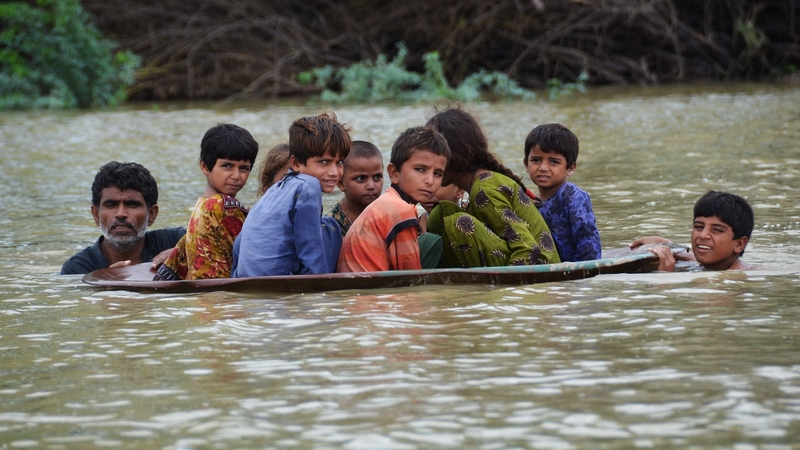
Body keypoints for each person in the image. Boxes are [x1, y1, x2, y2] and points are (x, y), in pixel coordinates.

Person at [425, 106, 561, 268]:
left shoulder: (485, 189)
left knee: (459, 223)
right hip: (521, 259)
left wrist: (504, 292)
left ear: (453, 155)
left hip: (539, 269)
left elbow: (528, 249)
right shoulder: (480, 185)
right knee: (440, 213)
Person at [232, 112, 351, 277]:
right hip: (280, 281)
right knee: (331, 227)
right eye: (324, 162)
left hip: (246, 279)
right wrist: (321, 294)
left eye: (340, 162)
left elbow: (240, 243)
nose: (334, 172)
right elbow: (311, 249)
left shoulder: (271, 193)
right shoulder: (309, 185)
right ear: (295, 163)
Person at [338, 126, 450, 272]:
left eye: (437, 173)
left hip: (357, 288)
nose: (430, 180)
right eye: (420, 169)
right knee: (435, 243)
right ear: (394, 173)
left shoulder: (387, 202)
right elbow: (411, 277)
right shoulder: (401, 210)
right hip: (369, 291)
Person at [155, 124, 259, 280]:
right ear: (204, 166)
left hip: (205, 297)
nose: (236, 175)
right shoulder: (222, 205)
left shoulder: (202, 204)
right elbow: (255, 252)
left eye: (244, 168)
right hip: (222, 295)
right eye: (227, 166)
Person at [61, 161, 185, 275]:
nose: (120, 214)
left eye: (132, 204)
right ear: (96, 215)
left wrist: (188, 257)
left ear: (151, 214)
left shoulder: (178, 242)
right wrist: (105, 284)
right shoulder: (77, 269)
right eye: (111, 205)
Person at [524, 123, 601, 261]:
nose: (543, 167)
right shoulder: (529, 202)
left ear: (570, 168)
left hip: (576, 270)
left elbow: (588, 239)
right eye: (536, 160)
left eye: (553, 162)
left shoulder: (572, 195)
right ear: (526, 164)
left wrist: (584, 275)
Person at [630, 190, 755, 271]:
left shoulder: (735, 278)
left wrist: (665, 278)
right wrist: (666, 245)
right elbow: (692, 258)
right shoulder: (715, 263)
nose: (703, 235)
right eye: (699, 227)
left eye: (717, 230)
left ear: (739, 244)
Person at [325, 140, 384, 238]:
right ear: (341, 183)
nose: (371, 186)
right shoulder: (332, 225)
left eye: (377, 177)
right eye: (361, 178)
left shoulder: (388, 213)